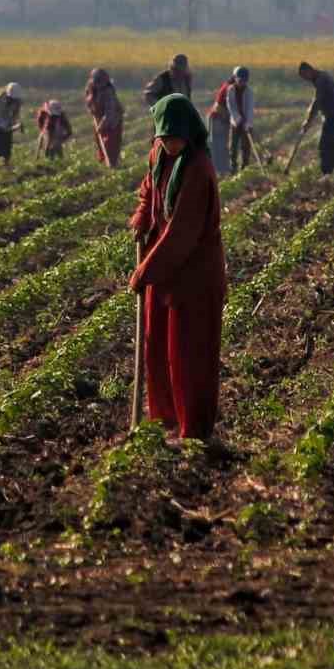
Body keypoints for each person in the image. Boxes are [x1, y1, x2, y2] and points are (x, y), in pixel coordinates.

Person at [128, 94, 229, 440]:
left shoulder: (199, 168)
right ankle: (165, 421)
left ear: (188, 133)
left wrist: (145, 271)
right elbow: (148, 191)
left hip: (195, 274)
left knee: (189, 355)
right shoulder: (158, 155)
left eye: (175, 138)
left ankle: (194, 431)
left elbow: (182, 232)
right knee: (158, 348)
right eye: (164, 138)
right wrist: (142, 216)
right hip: (164, 269)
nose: (170, 144)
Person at [298, 61, 334, 176]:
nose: (306, 79)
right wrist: (309, 119)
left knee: (328, 143)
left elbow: (317, 101)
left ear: (309, 70)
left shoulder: (322, 79)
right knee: (325, 144)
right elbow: (316, 101)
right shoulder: (319, 78)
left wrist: (308, 121)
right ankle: (326, 172)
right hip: (332, 116)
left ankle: (327, 173)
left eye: (305, 76)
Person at [207, 66, 254, 177]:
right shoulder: (229, 89)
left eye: (245, 80)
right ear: (235, 78)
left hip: (235, 120)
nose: (242, 82)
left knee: (244, 146)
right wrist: (237, 120)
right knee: (221, 146)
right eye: (240, 80)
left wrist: (247, 123)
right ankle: (222, 171)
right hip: (219, 119)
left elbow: (249, 108)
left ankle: (241, 169)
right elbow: (227, 107)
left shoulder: (248, 91)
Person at [83, 68, 124, 168]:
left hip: (113, 118)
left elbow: (110, 112)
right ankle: (103, 163)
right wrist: (92, 110)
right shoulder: (90, 87)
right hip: (99, 115)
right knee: (99, 141)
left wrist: (101, 125)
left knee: (111, 143)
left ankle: (112, 164)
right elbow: (88, 100)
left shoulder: (108, 91)